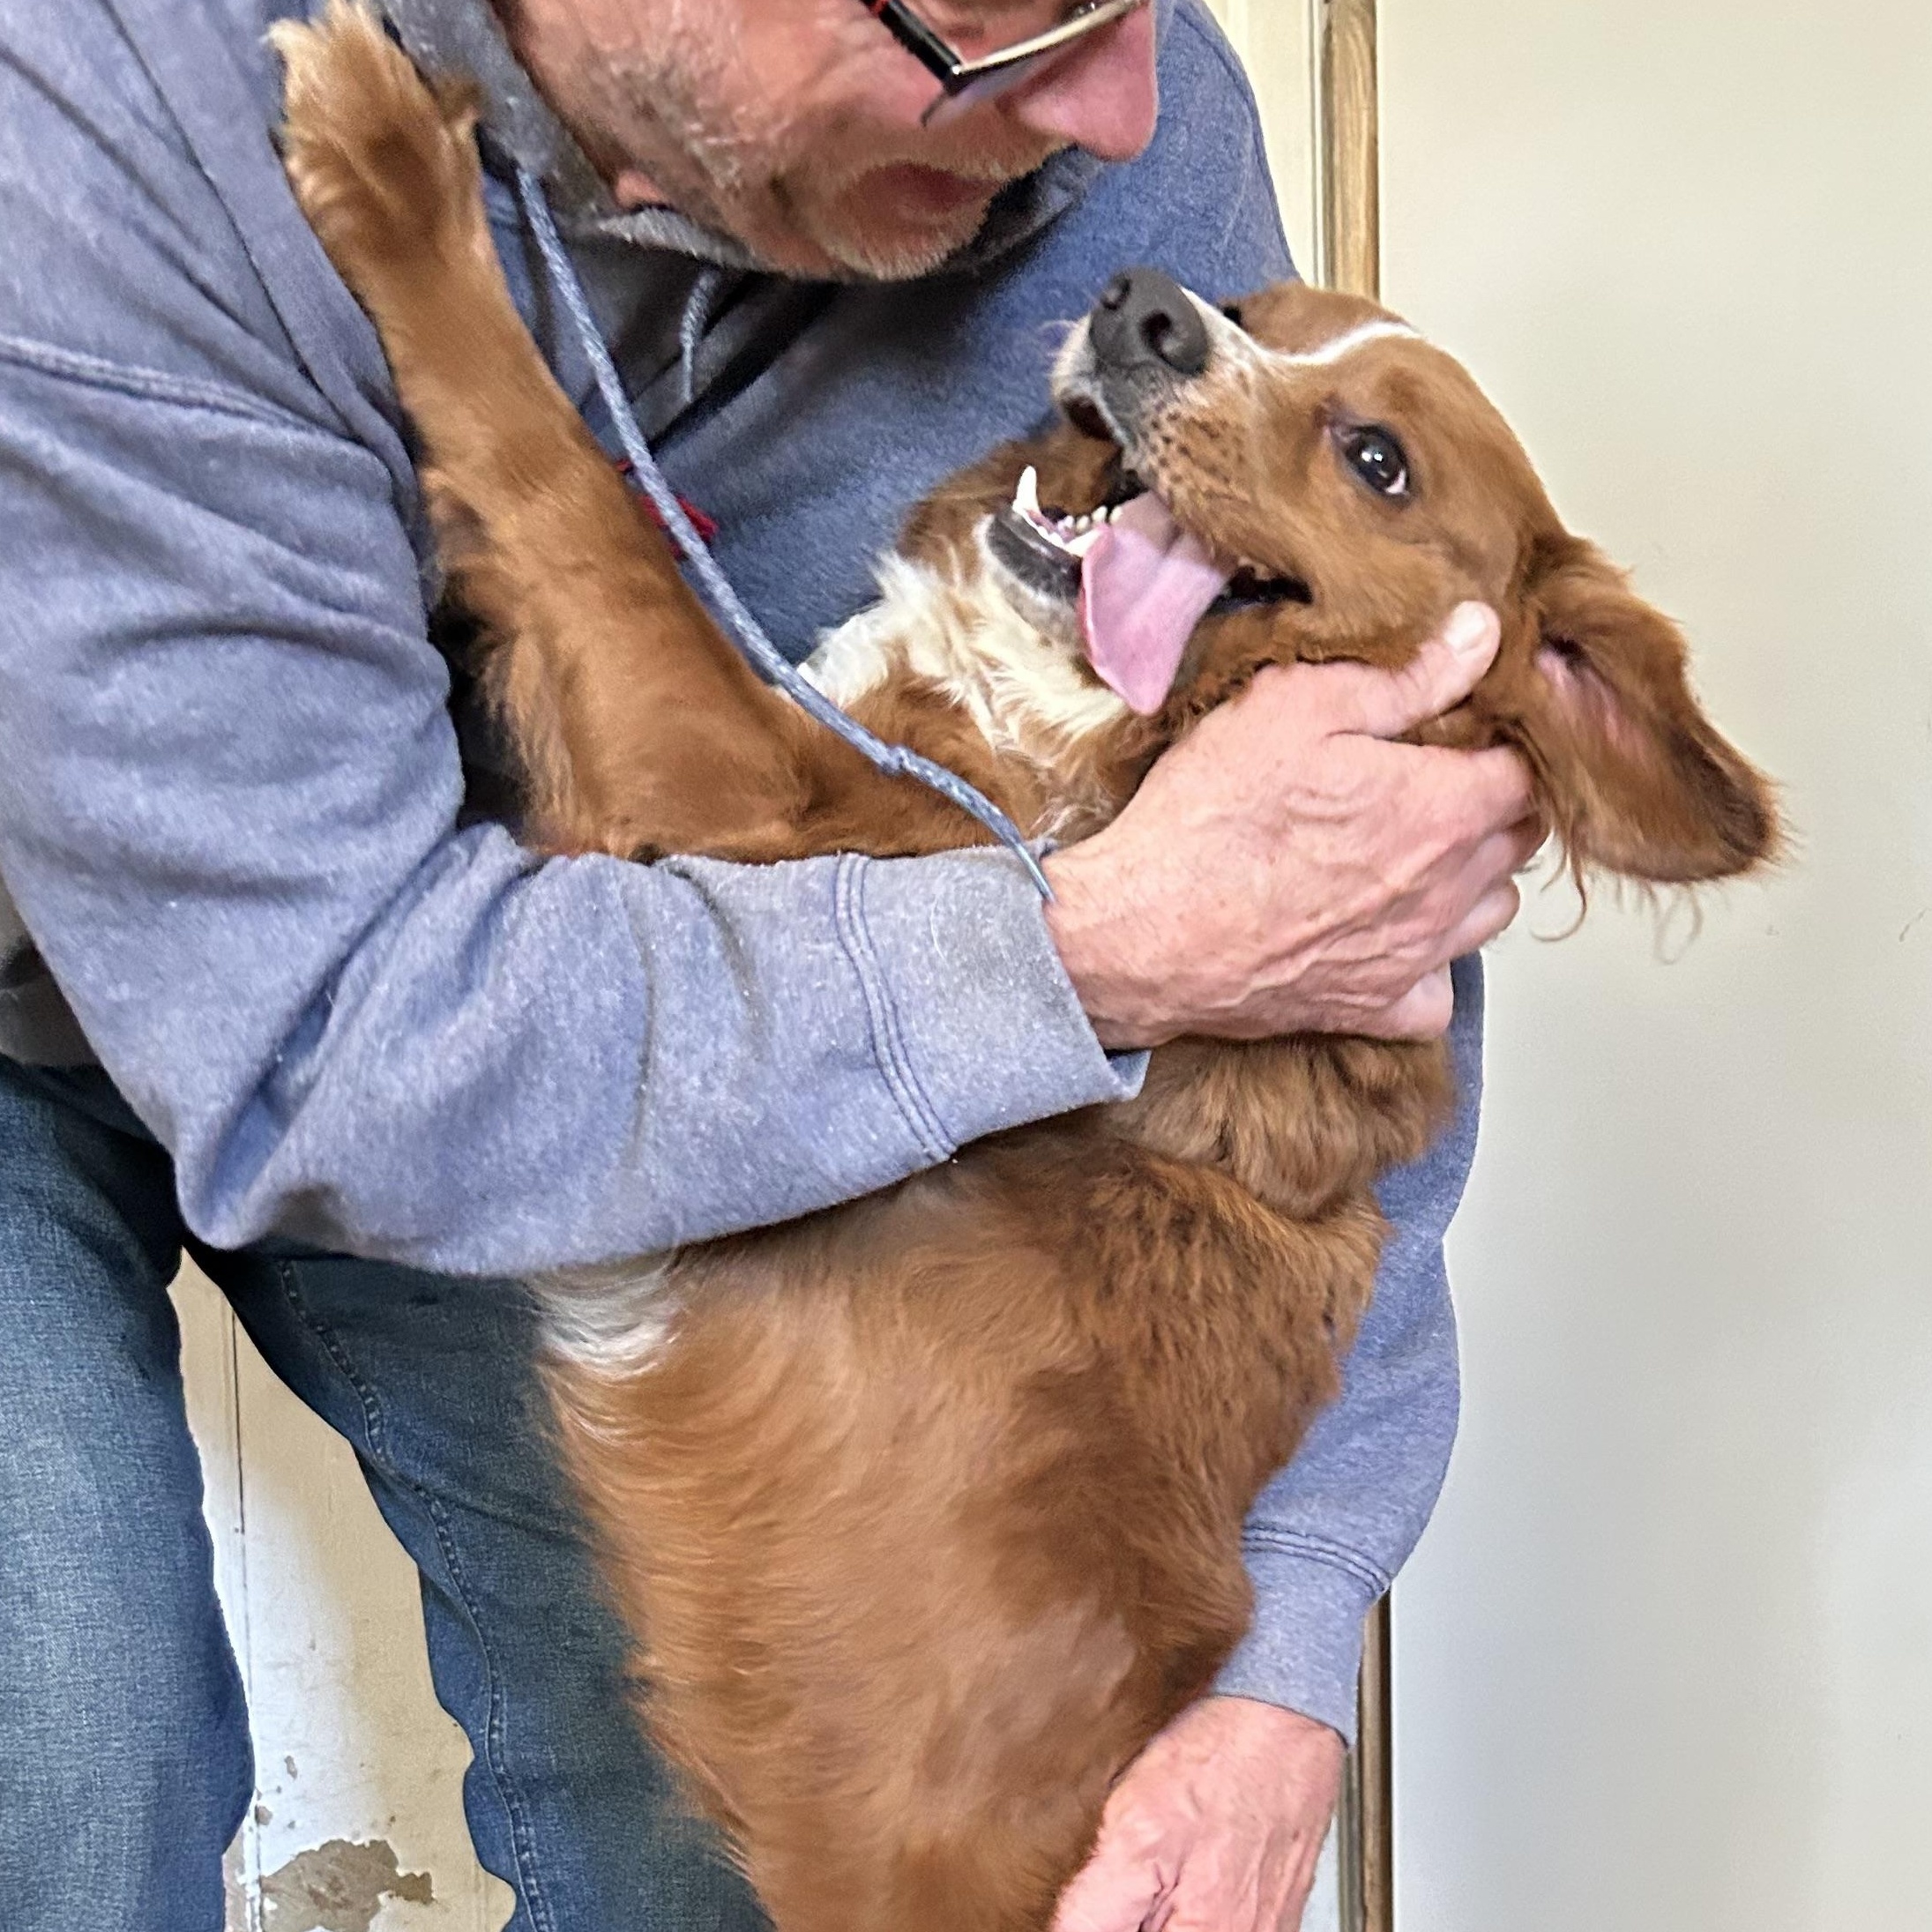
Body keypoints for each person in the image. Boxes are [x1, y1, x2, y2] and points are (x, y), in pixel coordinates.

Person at [0, 2, 1537, 1928]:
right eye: (1007, 10)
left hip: (578, 981)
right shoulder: (99, 87)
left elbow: (1328, 925)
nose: (1120, 102)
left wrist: (1287, 1630)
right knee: (57, 1755)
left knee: (714, 1834)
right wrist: (1097, 947)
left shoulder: (1114, 122)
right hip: (247, 981)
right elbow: (324, 1038)